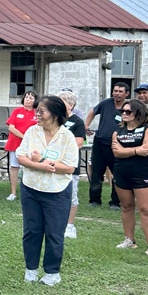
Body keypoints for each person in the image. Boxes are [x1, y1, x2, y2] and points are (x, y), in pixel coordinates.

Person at [15, 96, 79, 286]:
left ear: (56, 114)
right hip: (31, 188)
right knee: (31, 230)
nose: (38, 114)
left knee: (54, 232)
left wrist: (41, 161)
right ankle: (31, 269)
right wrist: (42, 165)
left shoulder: (66, 136)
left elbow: (69, 167)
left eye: (42, 111)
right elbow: (21, 156)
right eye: (37, 110)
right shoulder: (32, 131)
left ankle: (52, 272)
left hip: (57, 191)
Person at [112, 99, 148, 258]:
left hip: (143, 173)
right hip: (121, 172)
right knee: (126, 206)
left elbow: (147, 149)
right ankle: (129, 239)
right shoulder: (118, 131)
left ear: (138, 113)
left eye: (128, 112)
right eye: (122, 111)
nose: (124, 114)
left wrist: (127, 150)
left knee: (145, 209)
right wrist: (135, 151)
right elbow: (116, 152)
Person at [85, 83, 128, 209]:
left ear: (127, 93)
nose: (117, 93)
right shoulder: (105, 103)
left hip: (118, 145)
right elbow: (92, 112)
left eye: (120, 91)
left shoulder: (128, 107)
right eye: (115, 91)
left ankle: (115, 202)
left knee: (118, 175)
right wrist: (86, 125)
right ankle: (94, 200)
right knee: (96, 174)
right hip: (100, 143)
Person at [57, 91, 87, 239]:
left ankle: (70, 225)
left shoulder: (77, 122)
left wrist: (61, 147)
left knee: (72, 195)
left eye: (61, 102)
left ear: (70, 105)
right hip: (53, 162)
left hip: (69, 163)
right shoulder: (55, 119)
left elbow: (79, 143)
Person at [4, 90, 39, 201]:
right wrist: (24, 137)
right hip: (15, 143)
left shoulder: (37, 113)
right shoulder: (16, 111)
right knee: (14, 167)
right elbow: (11, 127)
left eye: (31, 98)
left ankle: (30, 192)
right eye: (26, 97)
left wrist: (29, 140)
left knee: (31, 167)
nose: (28, 99)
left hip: (32, 145)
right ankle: (13, 193)